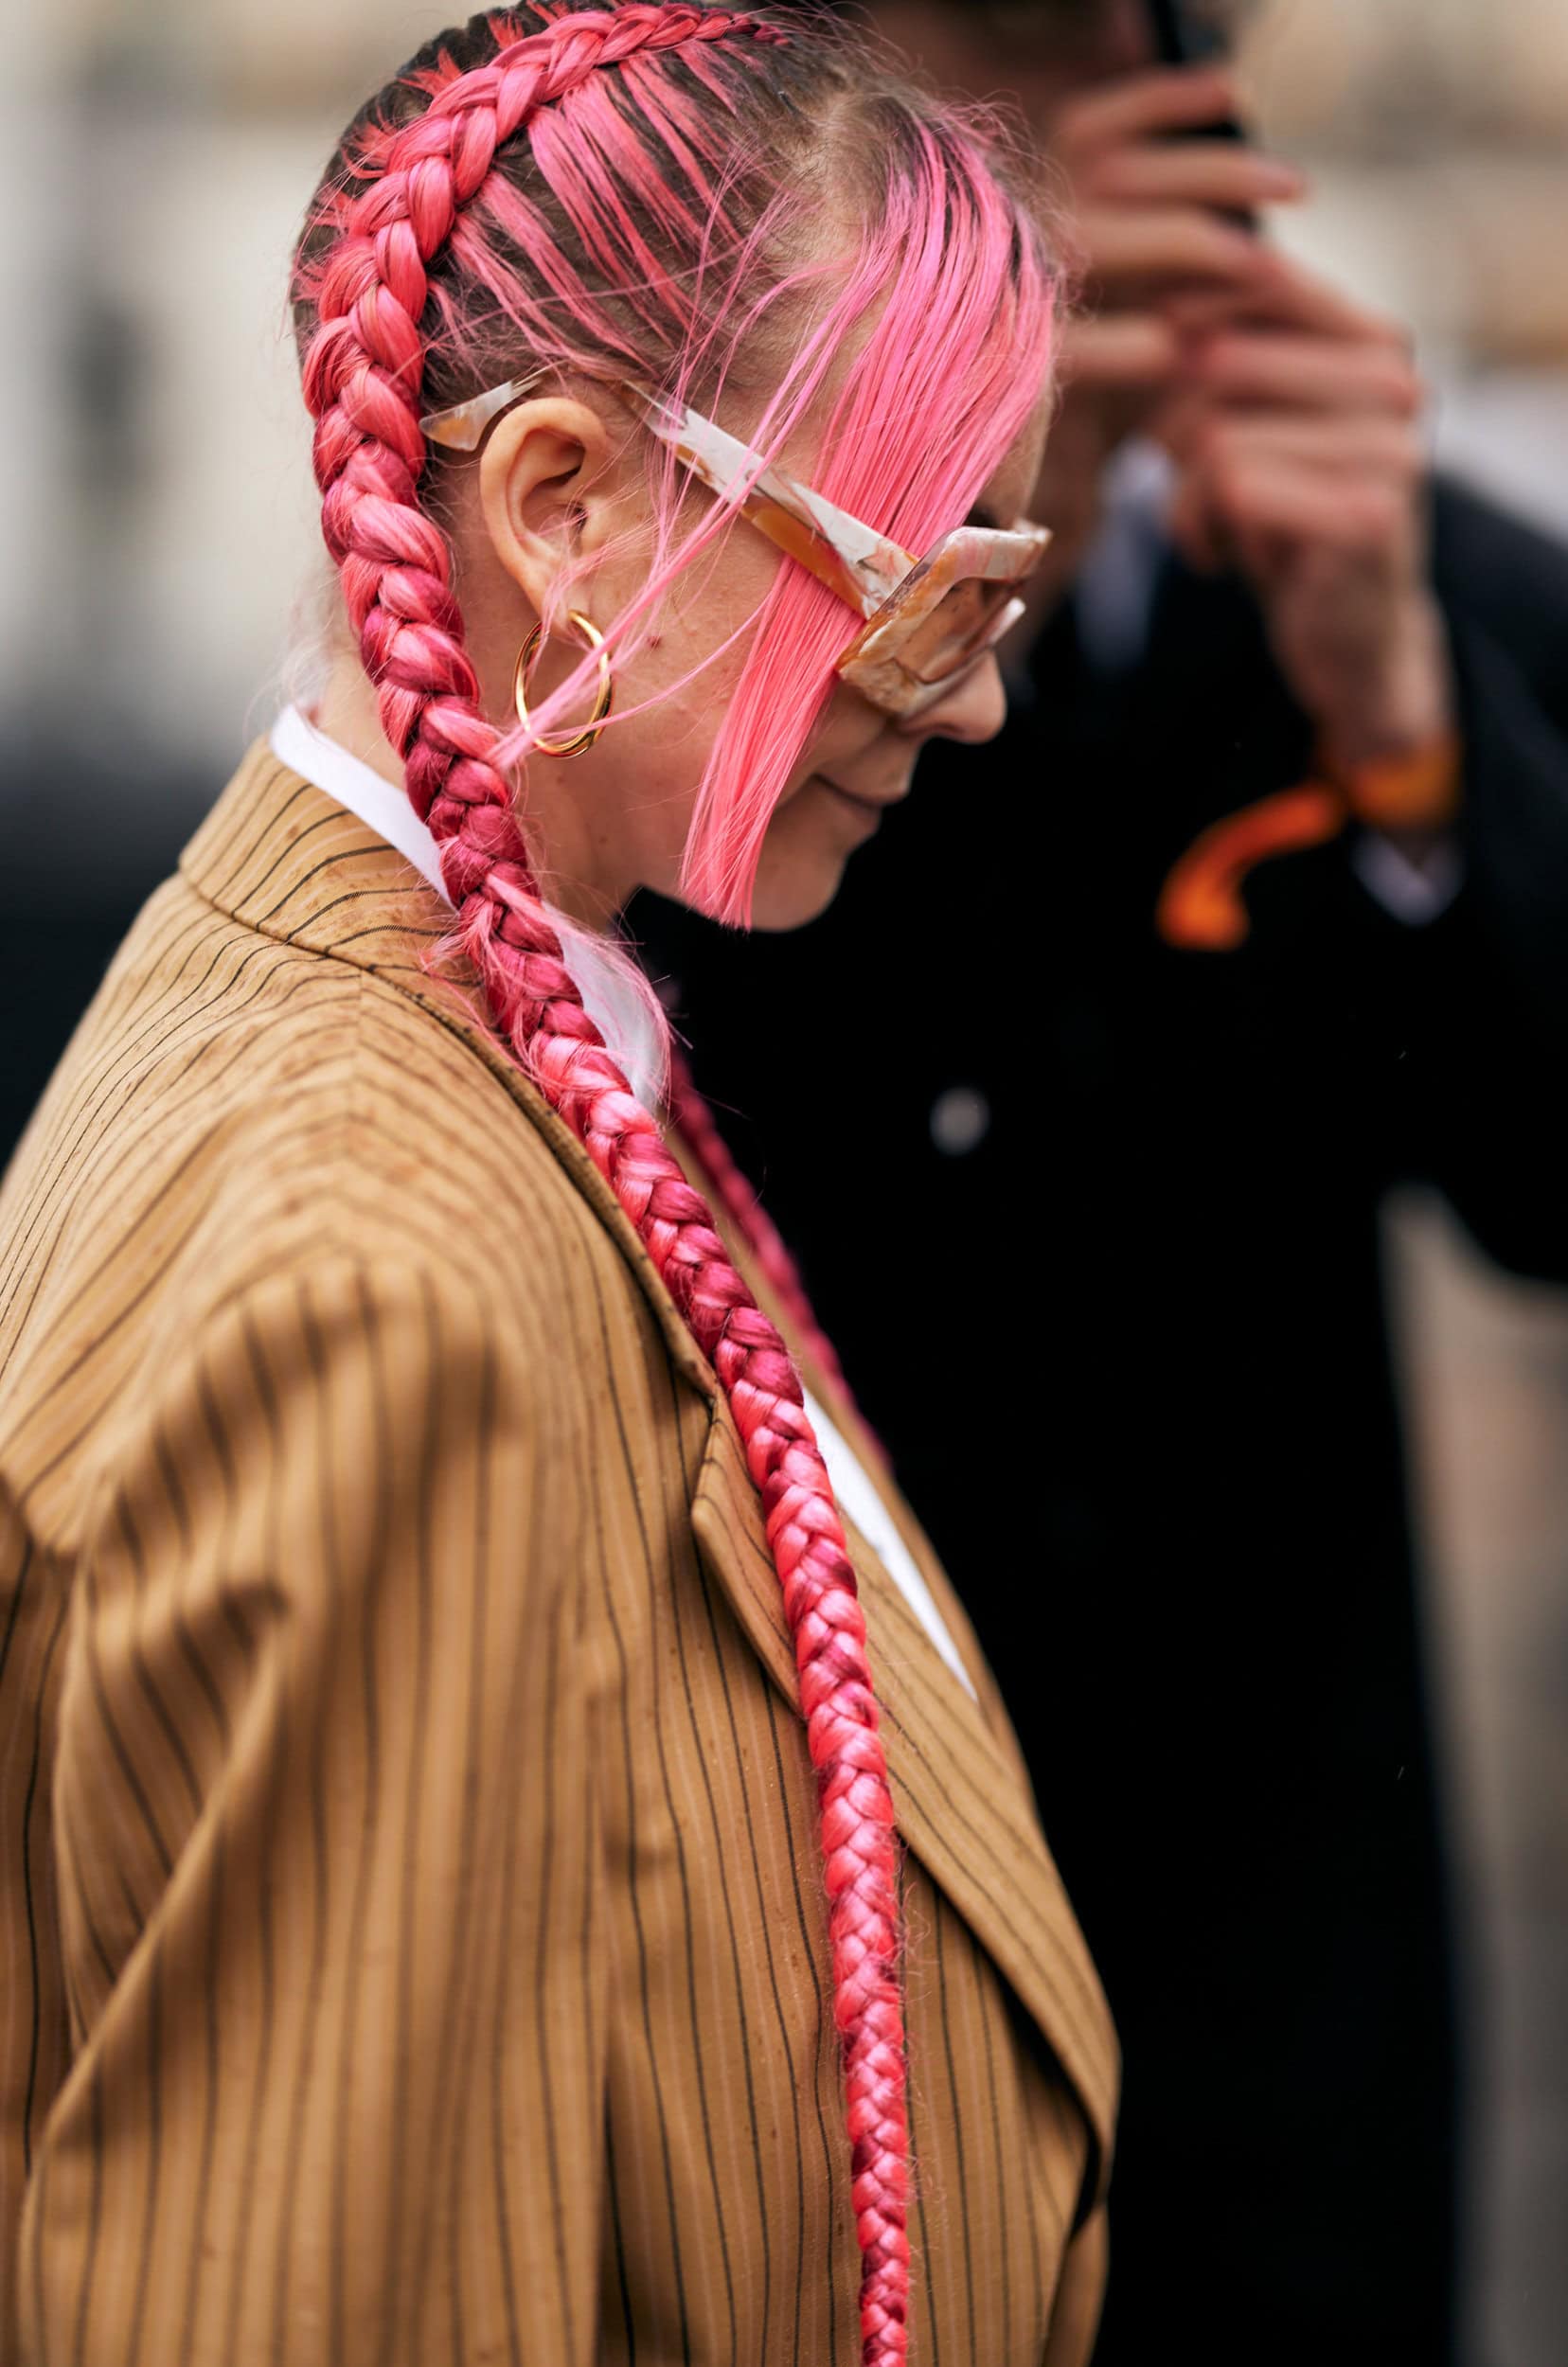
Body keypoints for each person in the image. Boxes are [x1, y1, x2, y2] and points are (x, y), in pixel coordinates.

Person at [0, 9, 1120, 2363]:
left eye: (1000, 589)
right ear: (560, 501)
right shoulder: (382, 1285)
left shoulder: (460, 1029)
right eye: (923, 588)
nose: (979, 694)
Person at [633, 5, 1568, 2364]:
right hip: (781, 1973)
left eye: (1072, 115)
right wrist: (950, 529)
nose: (1006, 211)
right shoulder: (666, 627)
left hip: (1266, 2019)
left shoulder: (1408, 576)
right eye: (938, 139)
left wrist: (1404, 723)